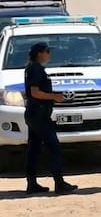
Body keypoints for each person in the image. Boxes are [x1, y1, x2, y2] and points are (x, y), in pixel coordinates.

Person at [23, 42, 78, 194]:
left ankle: (32, 183)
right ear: (39, 53)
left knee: (34, 149)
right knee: (54, 148)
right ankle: (59, 183)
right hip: (39, 114)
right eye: (47, 51)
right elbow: (35, 92)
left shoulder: (33, 67)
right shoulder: (36, 68)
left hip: (34, 113)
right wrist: (54, 96)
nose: (49, 54)